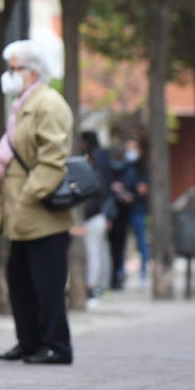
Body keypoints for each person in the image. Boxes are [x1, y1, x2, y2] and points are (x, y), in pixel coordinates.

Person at [0, 39, 74, 365]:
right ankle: (29, 341)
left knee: (48, 284)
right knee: (20, 281)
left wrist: (27, 197)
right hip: (22, 213)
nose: (10, 75)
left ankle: (56, 345)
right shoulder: (23, 103)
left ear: (33, 71)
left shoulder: (48, 104)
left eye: (15, 68)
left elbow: (53, 159)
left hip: (40, 213)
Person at [109, 137, 149, 290]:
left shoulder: (142, 167)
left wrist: (132, 194)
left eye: (134, 147)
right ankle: (120, 274)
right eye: (128, 148)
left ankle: (143, 276)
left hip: (138, 210)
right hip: (123, 212)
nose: (131, 151)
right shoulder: (122, 168)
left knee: (141, 244)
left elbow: (143, 190)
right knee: (122, 245)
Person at [80, 130, 114, 305]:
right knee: (98, 252)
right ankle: (97, 286)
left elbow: (101, 193)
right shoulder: (103, 161)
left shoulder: (95, 169)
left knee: (94, 252)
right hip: (96, 214)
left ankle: (93, 288)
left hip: (93, 216)